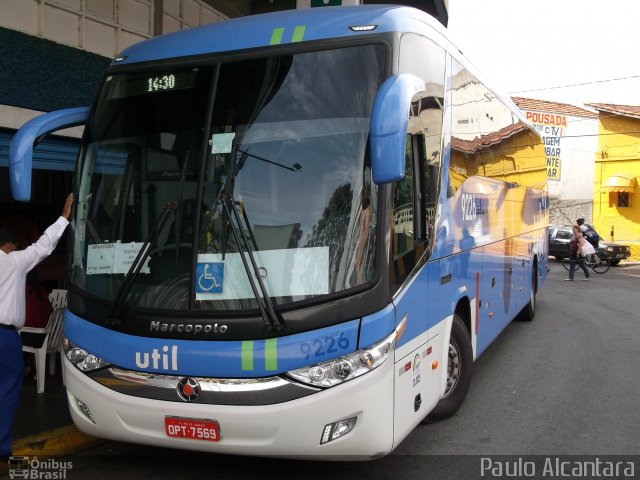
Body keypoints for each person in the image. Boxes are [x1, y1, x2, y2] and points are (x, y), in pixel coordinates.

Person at [0, 193, 73, 461]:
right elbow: (45, 245)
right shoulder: (15, 261)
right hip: (5, 338)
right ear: (9, 245)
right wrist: (64, 218)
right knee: (7, 392)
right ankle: (1, 448)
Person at [22, 270, 54, 379]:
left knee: (13, 335)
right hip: (49, 337)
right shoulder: (41, 290)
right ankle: (30, 367)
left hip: (35, 337)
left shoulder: (24, 291)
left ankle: (27, 367)